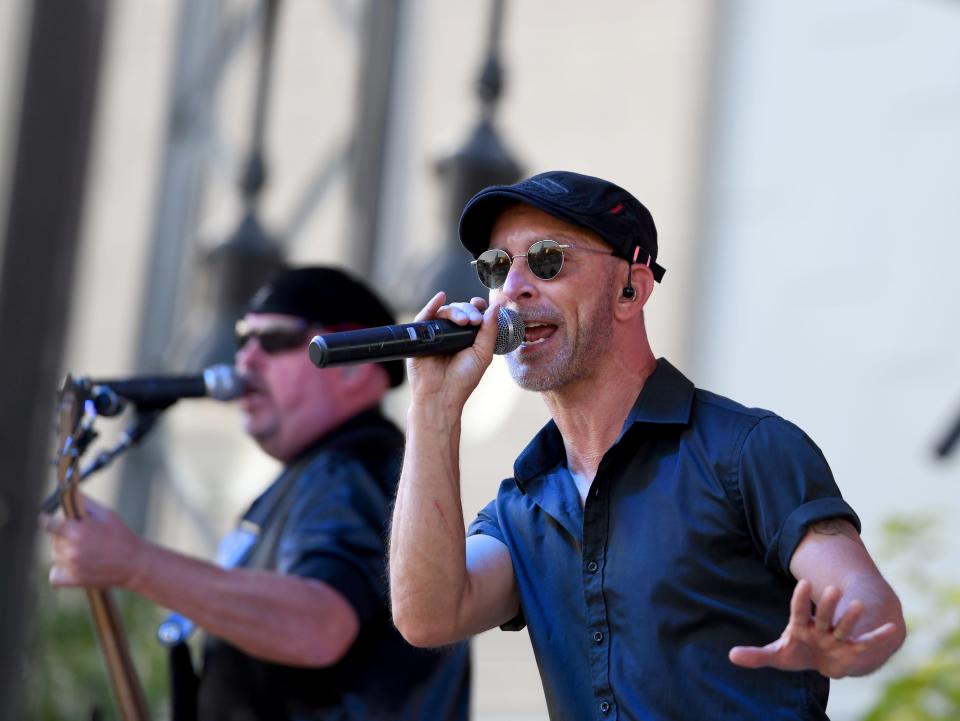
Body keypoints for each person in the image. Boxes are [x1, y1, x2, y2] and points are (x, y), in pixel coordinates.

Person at [389, 171, 905, 720]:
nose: (513, 289)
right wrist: (432, 409)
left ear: (630, 289)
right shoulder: (524, 507)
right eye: (497, 266)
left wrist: (846, 640)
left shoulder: (745, 450)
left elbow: (869, 604)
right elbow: (428, 616)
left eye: (546, 260)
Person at [44, 266, 470, 721]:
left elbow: (318, 627)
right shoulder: (314, 477)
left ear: (354, 368)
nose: (245, 361)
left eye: (274, 341)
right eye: (242, 340)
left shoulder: (353, 469)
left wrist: (136, 564)